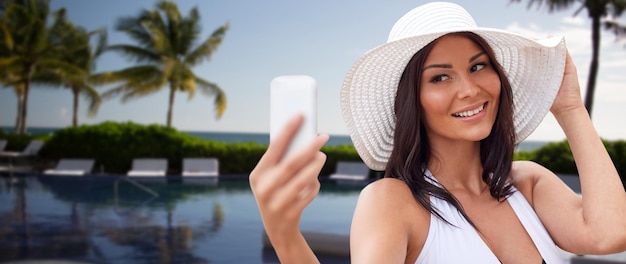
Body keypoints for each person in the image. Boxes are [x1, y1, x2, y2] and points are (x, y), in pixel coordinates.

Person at [249, 2, 626, 263]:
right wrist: (285, 236)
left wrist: (570, 109)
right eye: (440, 76)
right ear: (413, 99)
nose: (469, 89)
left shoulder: (525, 183)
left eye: (478, 67)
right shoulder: (393, 203)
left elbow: (610, 234)